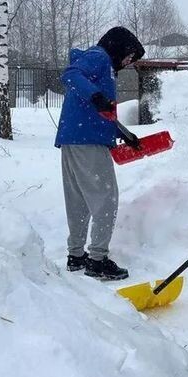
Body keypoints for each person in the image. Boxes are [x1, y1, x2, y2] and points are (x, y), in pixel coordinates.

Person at [56, 26, 145, 281]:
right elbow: (71, 75)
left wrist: (123, 133)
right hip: (88, 141)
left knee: (79, 200)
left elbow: (101, 111)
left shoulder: (99, 61)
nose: (128, 63)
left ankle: (76, 256)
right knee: (106, 199)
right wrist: (96, 96)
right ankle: (98, 259)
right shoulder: (100, 58)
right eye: (129, 57)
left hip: (74, 138)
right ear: (119, 47)